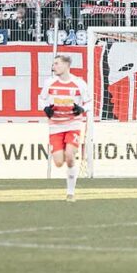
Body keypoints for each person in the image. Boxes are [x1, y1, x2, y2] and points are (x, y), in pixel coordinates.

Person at [39, 52, 91, 200]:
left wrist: (82, 109)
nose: (53, 66)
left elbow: (89, 102)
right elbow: (41, 99)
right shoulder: (50, 83)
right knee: (58, 162)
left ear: (66, 65)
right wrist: (45, 108)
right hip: (55, 125)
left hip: (73, 123)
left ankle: (70, 193)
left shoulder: (79, 83)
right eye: (54, 64)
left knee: (69, 156)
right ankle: (69, 157)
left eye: (57, 63)